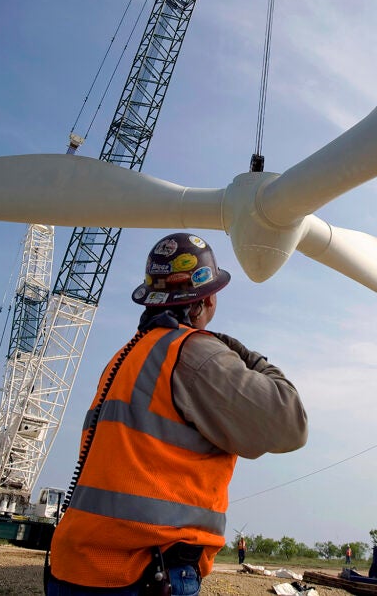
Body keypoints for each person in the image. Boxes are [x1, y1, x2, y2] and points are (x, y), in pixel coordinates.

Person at [47, 232, 308, 596]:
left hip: (75, 567)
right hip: (142, 573)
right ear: (206, 299)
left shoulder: (127, 357)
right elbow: (290, 424)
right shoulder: (196, 355)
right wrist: (244, 354)